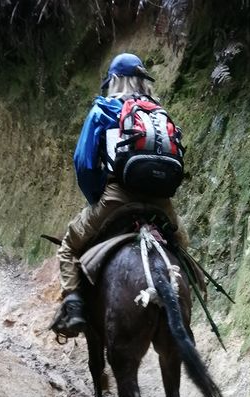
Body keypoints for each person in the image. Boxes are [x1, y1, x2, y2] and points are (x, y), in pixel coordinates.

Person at [50, 52, 188, 338]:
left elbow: (85, 163)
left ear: (114, 81)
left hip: (117, 197)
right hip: (162, 203)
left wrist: (97, 197)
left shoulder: (104, 109)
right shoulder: (158, 113)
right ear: (142, 81)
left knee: (69, 245)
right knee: (184, 250)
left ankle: (73, 306)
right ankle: (190, 307)